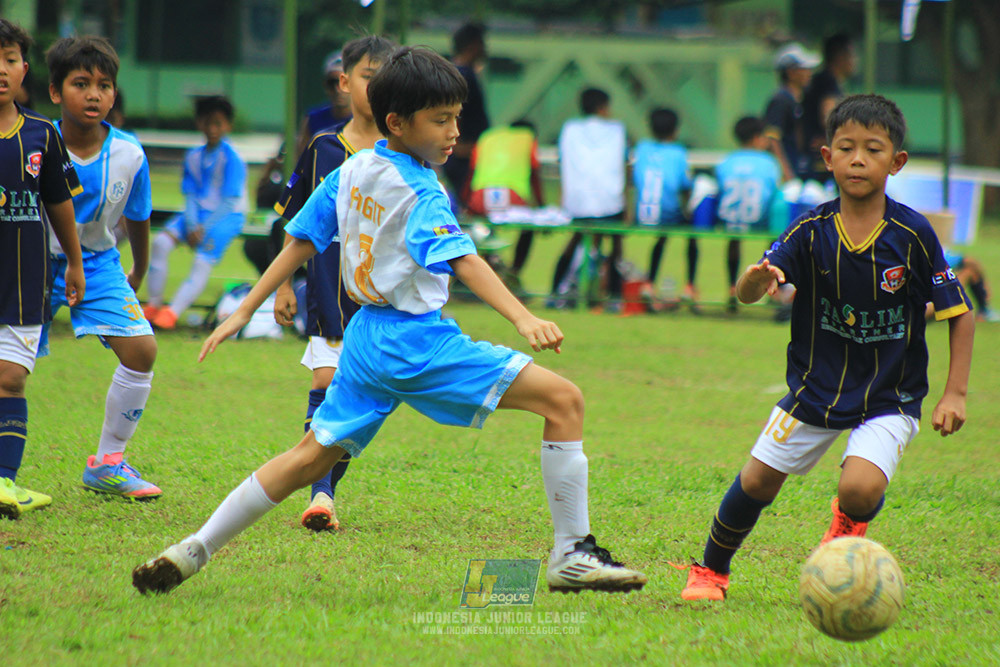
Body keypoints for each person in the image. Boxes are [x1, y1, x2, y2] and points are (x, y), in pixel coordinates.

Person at [132, 46, 647, 596]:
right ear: (398, 122)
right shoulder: (421, 189)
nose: (454, 132)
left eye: (456, 117)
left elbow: (301, 239)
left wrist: (243, 307)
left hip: (364, 340)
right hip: (413, 341)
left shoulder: (356, 166)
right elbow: (465, 259)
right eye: (441, 120)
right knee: (564, 401)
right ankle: (571, 553)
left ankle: (193, 549)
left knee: (307, 459)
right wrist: (524, 318)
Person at [678, 94, 974, 602]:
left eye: (873, 149)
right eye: (847, 148)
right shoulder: (810, 229)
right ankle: (711, 570)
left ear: (896, 162)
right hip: (815, 389)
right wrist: (756, 280)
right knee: (756, 483)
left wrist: (955, 394)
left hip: (890, 395)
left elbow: (959, 313)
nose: (858, 159)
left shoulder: (913, 234)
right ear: (827, 157)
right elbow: (750, 294)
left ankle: (845, 532)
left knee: (859, 488)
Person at [272, 34, 396, 532]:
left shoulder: (405, 157)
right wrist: (284, 286)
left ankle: (324, 484)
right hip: (329, 296)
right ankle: (321, 494)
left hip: (383, 305)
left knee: (358, 404)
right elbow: (295, 225)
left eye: (388, 79)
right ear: (345, 83)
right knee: (326, 383)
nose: (379, 87)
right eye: (369, 77)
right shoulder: (323, 148)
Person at [40, 37, 162, 499]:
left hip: (98, 265)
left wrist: (140, 268)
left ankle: (108, 463)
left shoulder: (130, 154)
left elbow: (138, 215)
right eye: (80, 83)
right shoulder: (37, 141)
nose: (94, 94)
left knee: (142, 351)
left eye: (104, 85)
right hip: (30, 260)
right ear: (55, 92)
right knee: (9, 370)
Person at [0, 19, 86, 518]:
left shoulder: (42, 135)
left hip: (24, 282)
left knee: (10, 378)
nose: (2, 68)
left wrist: (74, 263)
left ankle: (5, 482)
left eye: (10, 59)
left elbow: (58, 204)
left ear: (24, 69)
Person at [144, 96, 248, 329]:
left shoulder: (232, 158)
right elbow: (190, 195)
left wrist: (203, 228)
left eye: (218, 124)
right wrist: (192, 224)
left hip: (225, 219)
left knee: (202, 262)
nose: (212, 129)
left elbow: (230, 201)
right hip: (195, 216)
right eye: (207, 123)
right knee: (160, 243)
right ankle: (153, 305)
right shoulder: (193, 156)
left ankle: (172, 313)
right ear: (199, 123)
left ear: (227, 126)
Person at [549, 88, 628, 309]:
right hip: (611, 201)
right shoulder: (617, 130)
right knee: (616, 247)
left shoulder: (570, 128)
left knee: (573, 243)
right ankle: (614, 297)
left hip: (578, 202)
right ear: (603, 108)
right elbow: (624, 164)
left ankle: (555, 292)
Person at [715, 116, 782, 313]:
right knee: (774, 236)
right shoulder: (769, 162)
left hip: (730, 219)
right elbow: (779, 188)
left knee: (733, 240)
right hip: (760, 219)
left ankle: (731, 288)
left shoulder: (726, 162)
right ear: (756, 138)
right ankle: (773, 289)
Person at [464, 119, 545, 277]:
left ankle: (487, 264)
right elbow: (534, 174)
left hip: (480, 196)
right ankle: (514, 272)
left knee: (480, 228)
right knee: (527, 227)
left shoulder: (487, 137)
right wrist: (541, 207)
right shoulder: (528, 137)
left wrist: (466, 202)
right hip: (513, 197)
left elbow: (472, 171)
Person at [632, 108, 693, 292]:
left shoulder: (642, 148)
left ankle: (649, 283)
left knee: (662, 237)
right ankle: (690, 285)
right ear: (675, 130)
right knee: (693, 233)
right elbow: (685, 185)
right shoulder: (678, 152)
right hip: (667, 215)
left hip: (640, 214)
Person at [801, 33, 858, 184]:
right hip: (820, 156)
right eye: (852, 55)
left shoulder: (825, 80)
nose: (855, 61)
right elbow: (828, 118)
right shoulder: (828, 82)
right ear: (840, 56)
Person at [442, 22, 490, 199]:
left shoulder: (456, 72)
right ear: (473, 44)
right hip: (464, 158)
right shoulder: (464, 76)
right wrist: (459, 146)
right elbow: (455, 112)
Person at [764, 42, 819, 182]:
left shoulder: (799, 100)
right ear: (791, 72)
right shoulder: (780, 100)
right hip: (788, 172)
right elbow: (772, 138)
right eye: (804, 69)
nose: (809, 73)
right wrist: (786, 173)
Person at [296, 51, 351, 157]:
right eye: (332, 83)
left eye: (344, 82)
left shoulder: (365, 119)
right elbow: (301, 162)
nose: (338, 89)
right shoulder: (313, 119)